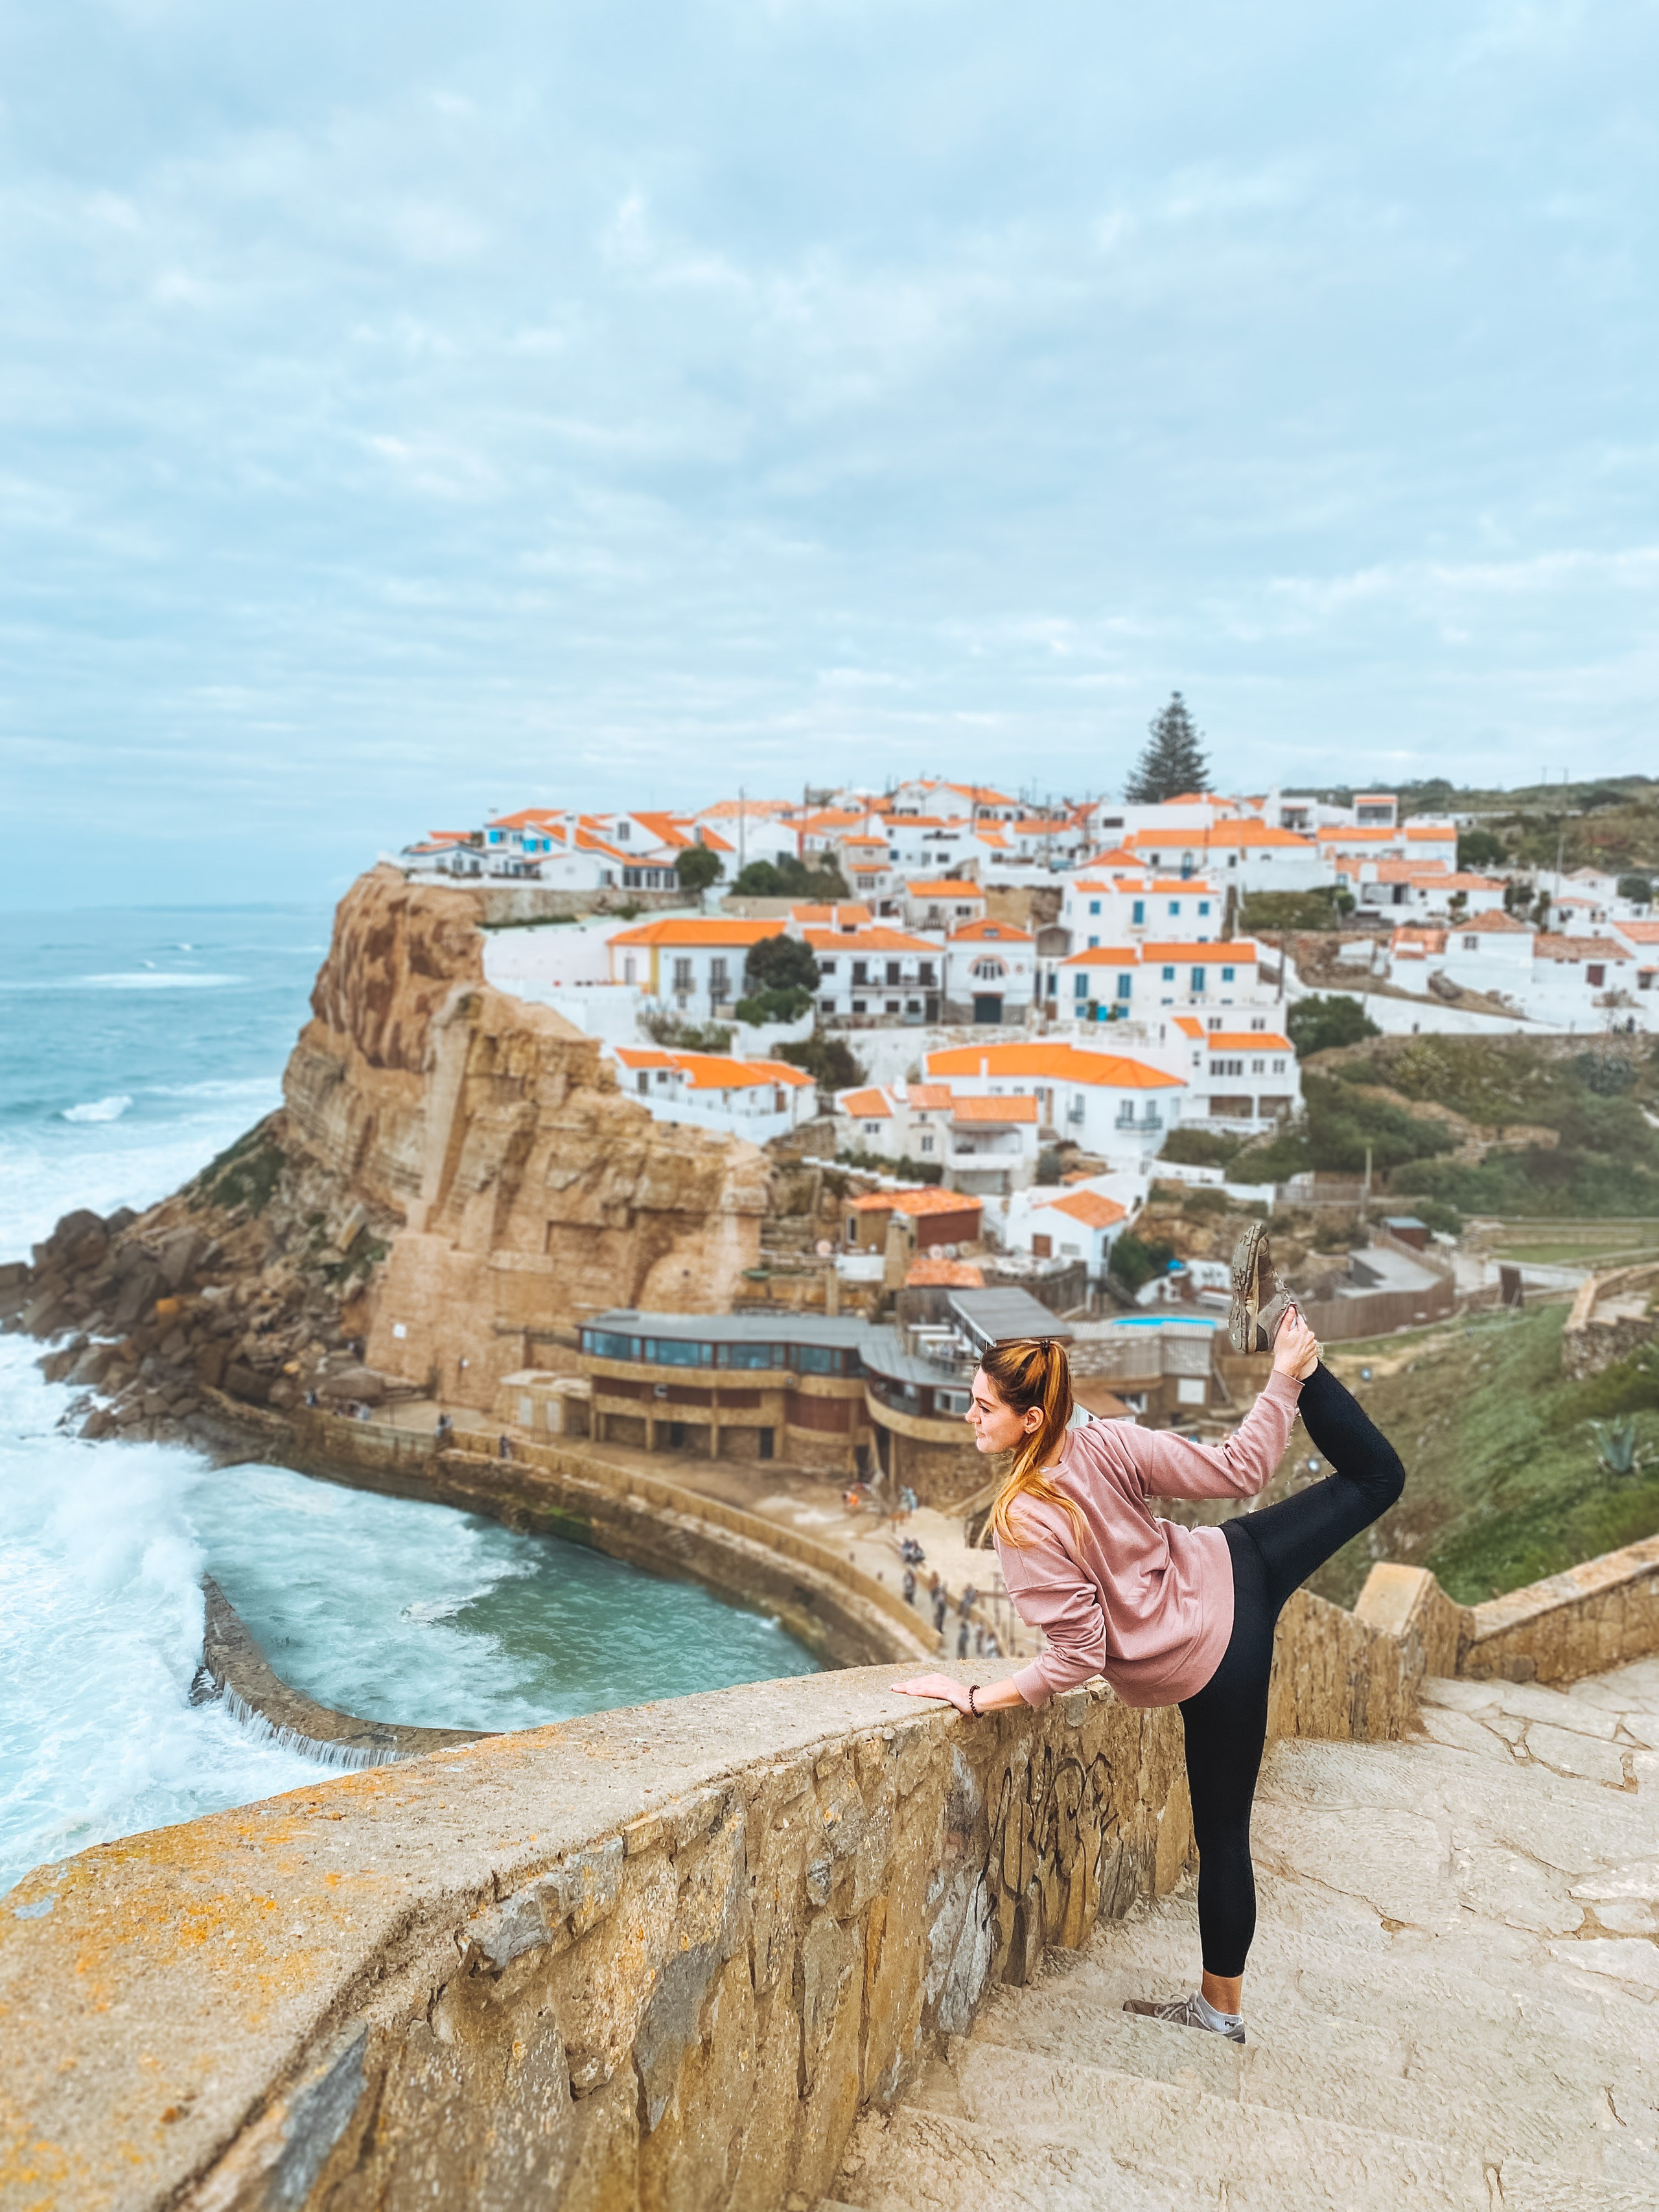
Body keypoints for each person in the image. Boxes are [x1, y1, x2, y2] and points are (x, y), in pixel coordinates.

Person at [894, 1227, 1405, 2049]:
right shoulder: (1102, 1435)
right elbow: (1240, 1469)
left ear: (1029, 1418)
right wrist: (1282, 1381)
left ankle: (1219, 2011)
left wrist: (973, 1696)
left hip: (1210, 1658)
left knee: (1225, 1836)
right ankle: (1294, 1348)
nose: (969, 1415)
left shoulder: (1024, 1519)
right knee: (1379, 1477)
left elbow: (1077, 1656)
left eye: (983, 1405)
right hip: (1240, 1563)